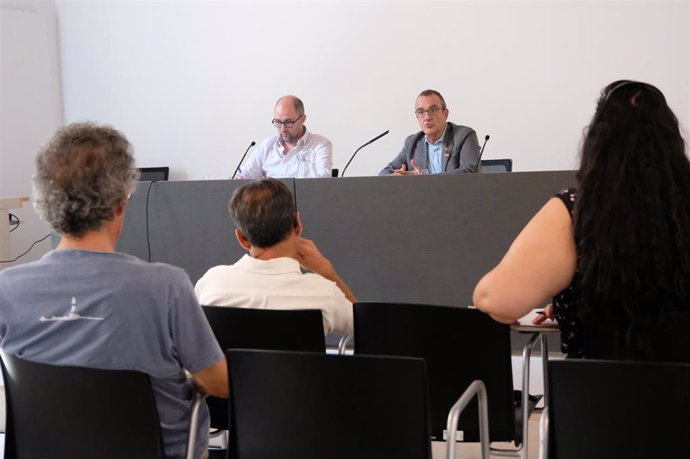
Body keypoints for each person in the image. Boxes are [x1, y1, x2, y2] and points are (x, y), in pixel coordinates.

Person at [0, 122, 228, 459]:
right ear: (121, 201)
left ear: (47, 203)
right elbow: (219, 383)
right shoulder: (166, 286)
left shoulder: (7, 290)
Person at [473, 80, 690, 362]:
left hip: (597, 399)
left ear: (598, 145)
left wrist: (574, 299)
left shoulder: (576, 211)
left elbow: (494, 300)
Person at [195, 178, 355, 335]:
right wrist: (328, 273)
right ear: (297, 224)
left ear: (242, 238)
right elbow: (368, 328)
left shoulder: (211, 285)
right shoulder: (323, 292)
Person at [379, 89, 481, 175]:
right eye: (421, 112)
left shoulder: (464, 136)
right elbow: (384, 173)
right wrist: (396, 176)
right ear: (417, 117)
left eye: (433, 110)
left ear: (445, 114)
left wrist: (426, 177)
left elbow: (469, 172)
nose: (427, 117)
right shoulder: (412, 143)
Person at [235, 95, 333, 179]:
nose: (282, 129)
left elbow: (323, 182)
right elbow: (244, 177)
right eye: (277, 122)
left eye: (288, 122)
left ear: (302, 119)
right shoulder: (267, 146)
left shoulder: (320, 145)